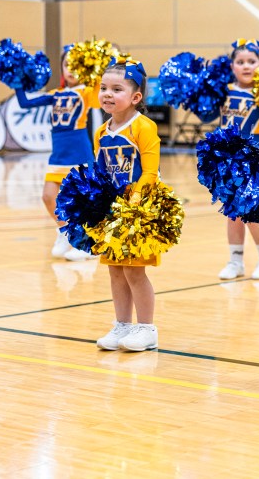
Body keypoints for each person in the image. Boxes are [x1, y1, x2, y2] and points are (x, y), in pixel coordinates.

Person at [92, 60, 163, 352]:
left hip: (139, 209)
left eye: (116, 89)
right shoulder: (100, 132)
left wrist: (133, 203)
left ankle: (146, 328)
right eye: (104, 88)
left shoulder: (143, 127)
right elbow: (98, 174)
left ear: (135, 97)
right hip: (112, 211)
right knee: (115, 270)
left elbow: (150, 171)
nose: (108, 94)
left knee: (135, 271)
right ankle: (122, 324)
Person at [12, 47, 100, 260]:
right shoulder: (56, 94)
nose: (70, 69)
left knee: (84, 200)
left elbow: (99, 98)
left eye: (75, 65)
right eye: (66, 65)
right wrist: (17, 81)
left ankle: (87, 244)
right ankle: (65, 232)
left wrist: (96, 73)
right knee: (48, 196)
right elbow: (25, 103)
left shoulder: (87, 92)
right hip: (58, 153)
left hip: (79, 151)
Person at [217, 40, 259, 281]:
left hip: (256, 155)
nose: (246, 66)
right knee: (232, 212)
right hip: (227, 159)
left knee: (252, 210)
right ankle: (235, 260)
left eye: (252, 62)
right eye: (240, 62)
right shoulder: (223, 91)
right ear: (232, 65)